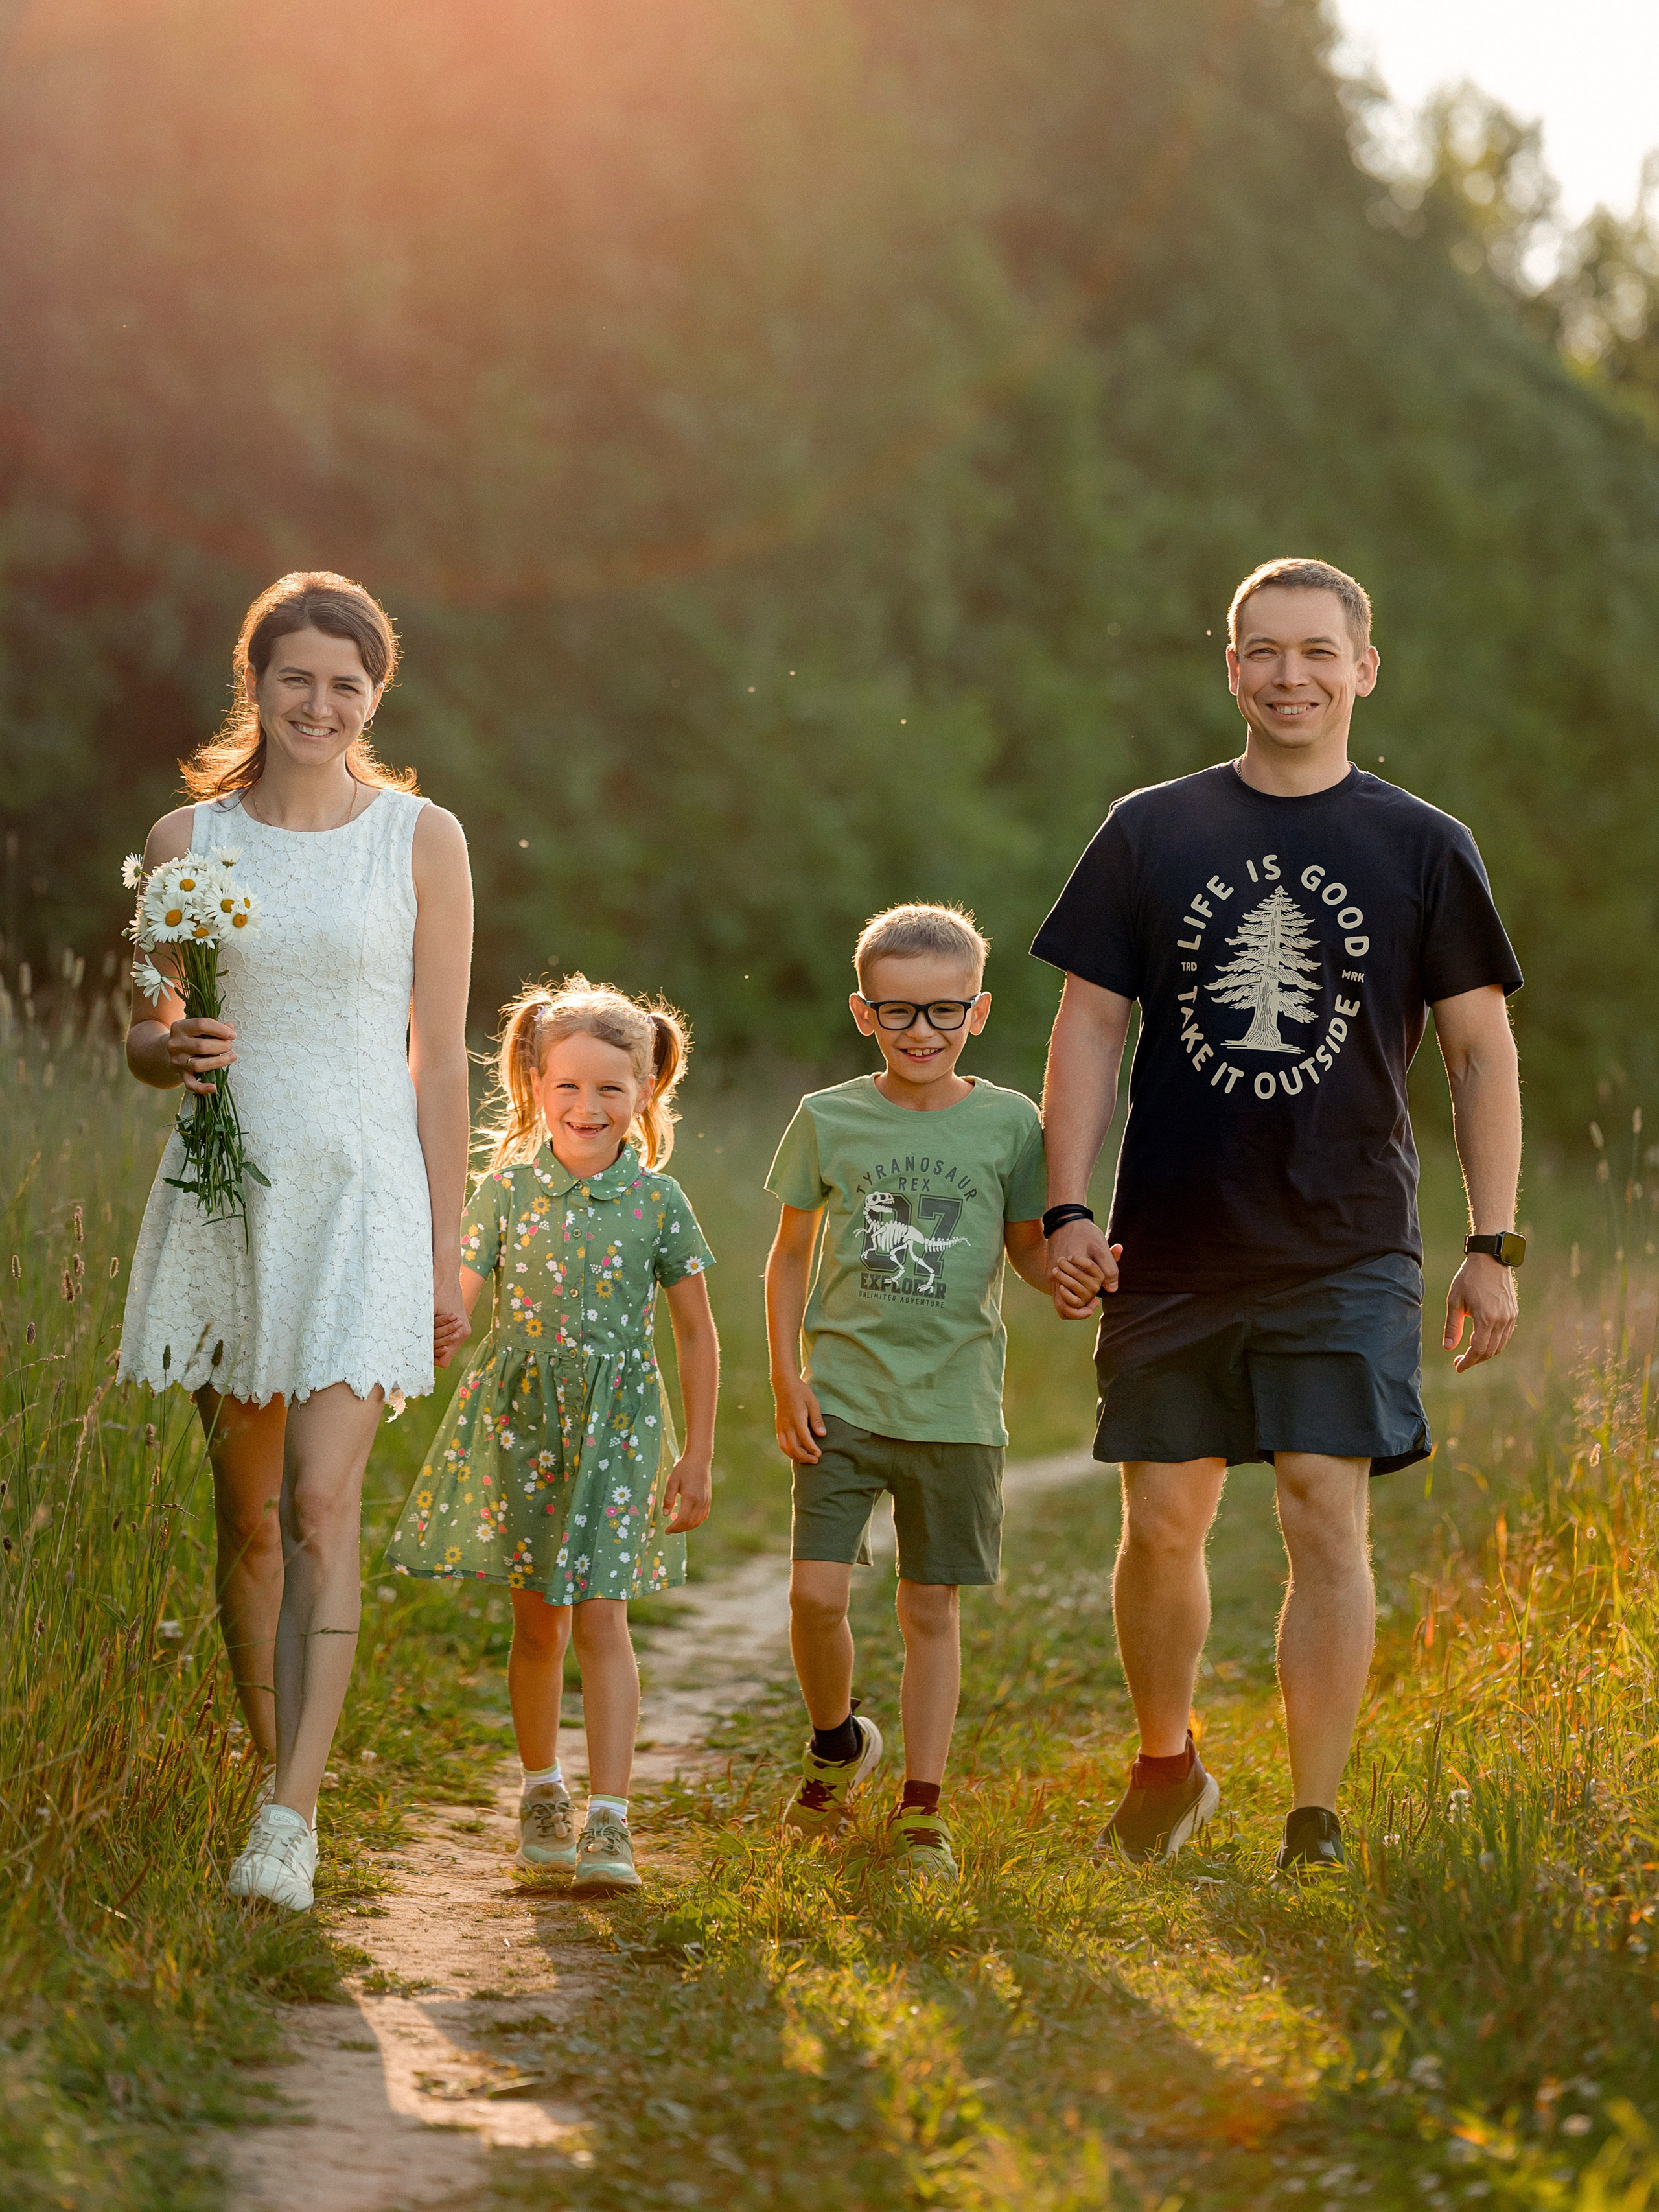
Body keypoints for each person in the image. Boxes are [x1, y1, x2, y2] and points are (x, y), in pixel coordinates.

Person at [1034, 556, 1524, 1874]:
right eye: (1262, 651)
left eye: (1315, 651)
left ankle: (1312, 1815)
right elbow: (1086, 1025)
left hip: (1345, 1238)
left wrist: (1491, 1244)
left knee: (1323, 1511)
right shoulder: (1149, 830)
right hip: (1173, 1238)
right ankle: (1166, 1762)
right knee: (1161, 1524)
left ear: (1363, 668)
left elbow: (1479, 1052)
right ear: (1230, 666)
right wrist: (1065, 1206)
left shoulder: (1423, 847)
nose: (1288, 675)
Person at [120, 571, 473, 1911]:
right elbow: (147, 1032)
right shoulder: (184, 843)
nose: (319, 704)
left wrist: (444, 1251)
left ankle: (292, 1818)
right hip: (227, 1200)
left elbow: (439, 1064)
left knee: (325, 1503)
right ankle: (274, 1763)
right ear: (254, 684)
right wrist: (169, 1047)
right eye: (296, 679)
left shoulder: (421, 840)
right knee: (248, 1518)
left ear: (374, 696)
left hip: (363, 1200)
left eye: (347, 684)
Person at [384, 976, 718, 1895]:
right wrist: (439, 1326)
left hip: (618, 1429)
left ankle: (610, 1815)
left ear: (646, 1091)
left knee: (604, 1618)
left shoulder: (658, 1204)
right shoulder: (503, 1193)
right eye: (568, 1086)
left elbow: (696, 1331)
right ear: (535, 1086)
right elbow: (463, 1294)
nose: (588, 1106)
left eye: (612, 1088)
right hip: (522, 1424)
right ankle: (543, 1791)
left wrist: (697, 1452)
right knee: (539, 1623)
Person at [765, 903, 1050, 1883]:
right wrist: (787, 1376)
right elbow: (789, 1256)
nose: (921, 1032)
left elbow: (1027, 1249)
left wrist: (1079, 1275)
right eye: (898, 1013)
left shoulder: (1013, 1124)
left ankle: (922, 1807)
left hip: (956, 1408)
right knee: (814, 1594)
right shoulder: (828, 1117)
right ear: (862, 1012)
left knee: (932, 1609)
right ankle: (838, 1739)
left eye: (943, 1012)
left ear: (977, 1011)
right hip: (841, 1397)